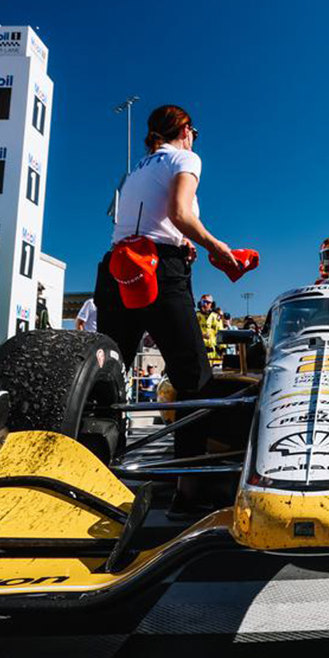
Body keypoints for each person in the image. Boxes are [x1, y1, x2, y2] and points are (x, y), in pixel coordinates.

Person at [93, 104, 242, 518]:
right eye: (194, 130)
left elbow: (155, 219)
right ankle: (190, 494)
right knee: (195, 381)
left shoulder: (138, 169)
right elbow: (178, 212)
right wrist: (219, 248)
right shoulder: (186, 157)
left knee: (105, 380)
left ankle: (91, 481)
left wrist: (187, 237)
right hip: (159, 270)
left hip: (117, 269)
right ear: (186, 130)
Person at [196, 294, 223, 363]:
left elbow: (221, 333)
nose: (205, 305)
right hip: (199, 352)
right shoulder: (195, 316)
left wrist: (222, 349)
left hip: (214, 355)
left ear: (212, 304)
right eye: (203, 302)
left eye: (208, 302)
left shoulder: (216, 317)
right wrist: (201, 335)